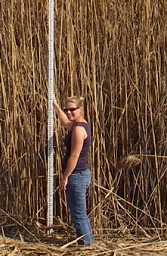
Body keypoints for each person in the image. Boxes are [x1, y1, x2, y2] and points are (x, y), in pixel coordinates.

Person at [53, 94, 94, 246]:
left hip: (77, 175)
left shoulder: (78, 130)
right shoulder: (78, 125)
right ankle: (87, 242)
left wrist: (65, 177)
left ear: (81, 109)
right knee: (79, 214)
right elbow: (65, 122)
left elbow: (74, 156)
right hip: (78, 175)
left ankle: (86, 245)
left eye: (73, 110)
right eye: (67, 109)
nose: (69, 113)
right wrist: (55, 106)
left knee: (78, 215)